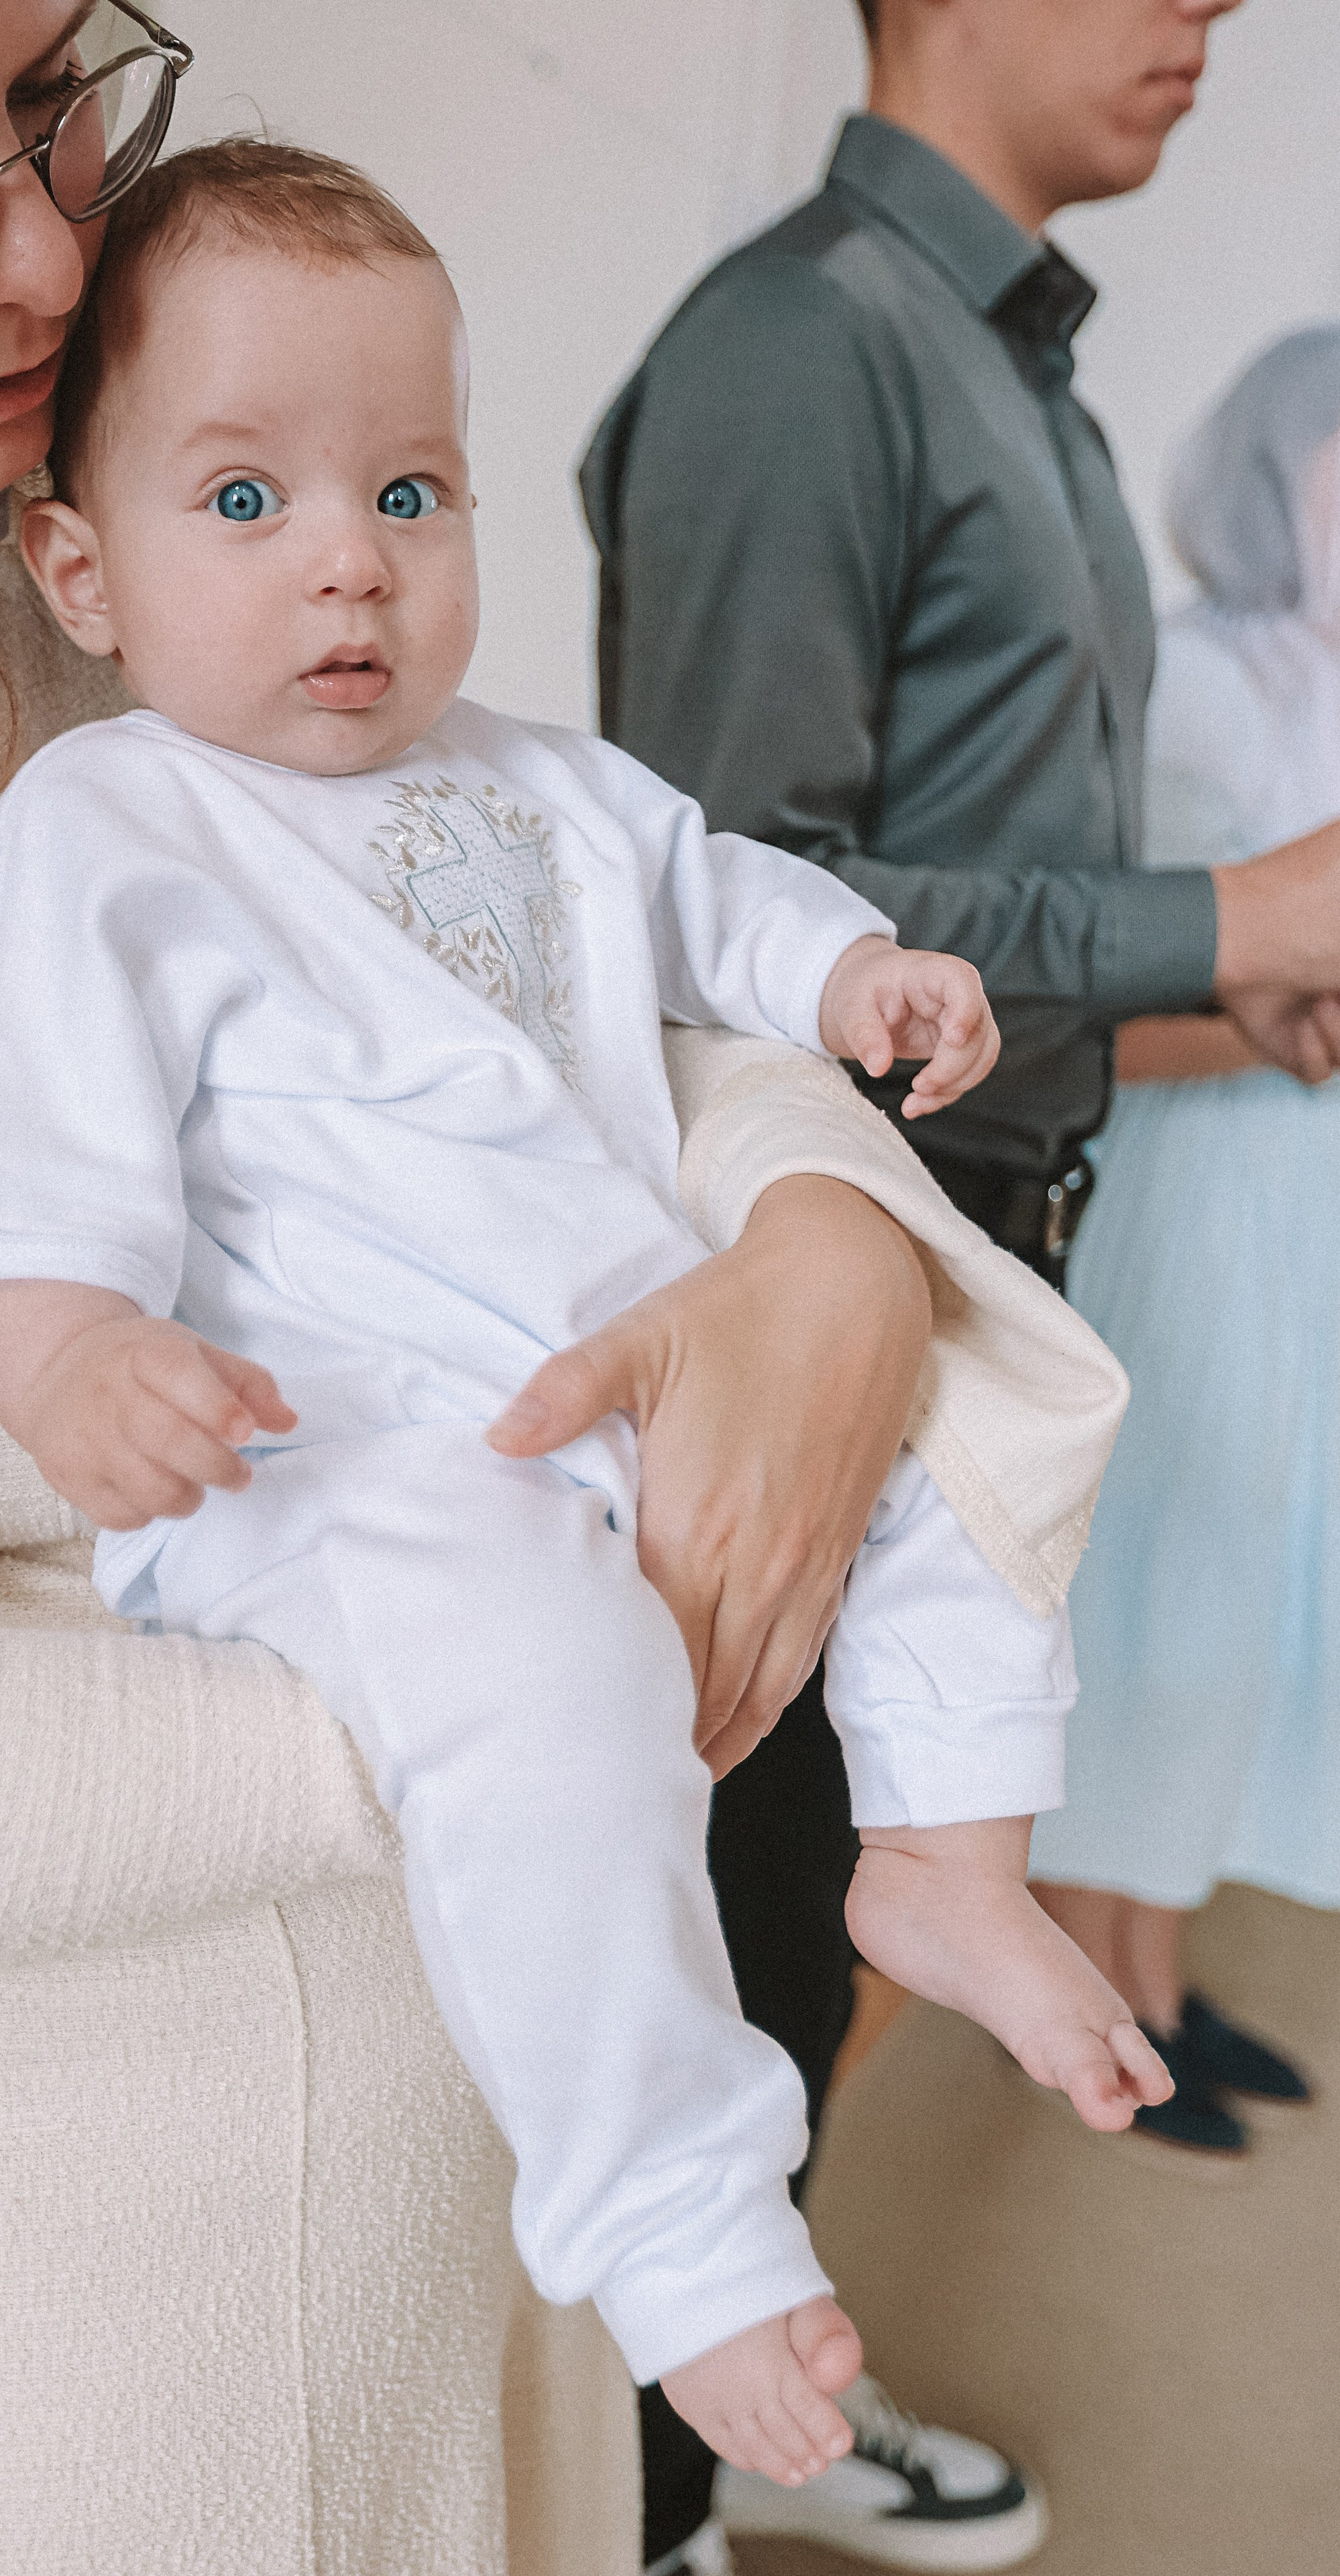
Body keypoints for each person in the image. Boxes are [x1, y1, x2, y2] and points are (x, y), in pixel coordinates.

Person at [0, 6, 1051, 2569]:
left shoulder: (153, 520)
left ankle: (950, 1870)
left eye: (67, 92)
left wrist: (826, 1249)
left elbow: (542, 977)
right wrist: (553, 1671)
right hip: (39, 2389)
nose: (51, 246)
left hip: (476, 2227)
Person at [0, 139, 1165, 2493]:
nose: (351, 559)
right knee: (539, 1678)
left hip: (630, 1370)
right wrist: (76, 1359)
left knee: (976, 1415)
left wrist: (852, 974)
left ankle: (953, 1861)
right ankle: (686, 2233)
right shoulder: (112, 831)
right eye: (249, 498)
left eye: (410, 485)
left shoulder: (537, 787)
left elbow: (722, 901)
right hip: (348, 1460)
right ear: (80, 568)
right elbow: (11, 1168)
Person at [579, 0, 1340, 2566]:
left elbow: (944, 868)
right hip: (835, 1291)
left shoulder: (1022, 375)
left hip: (987, 1257)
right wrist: (1218, 911)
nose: (1208, 15)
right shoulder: (807, 344)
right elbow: (729, 910)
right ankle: (657, 2502)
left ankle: (735, 2434)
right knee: (741, 1954)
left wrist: (1212, 979)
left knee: (809, 1941)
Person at [1030, 328, 1340, 2155]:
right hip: (1192, 1185)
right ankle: (1090, 1986)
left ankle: (1153, 1960)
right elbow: (1131, 977)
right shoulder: (1202, 681)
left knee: (1246, 1592)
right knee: (1153, 1585)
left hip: (1301, 1197)